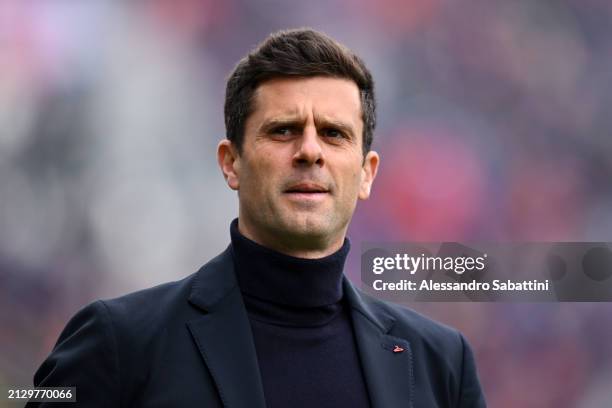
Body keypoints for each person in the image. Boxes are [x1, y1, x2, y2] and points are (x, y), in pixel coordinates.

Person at [29, 28, 486, 407]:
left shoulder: (440, 363)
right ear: (232, 163)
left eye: (333, 133)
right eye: (283, 130)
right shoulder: (121, 343)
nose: (309, 151)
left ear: (366, 174)